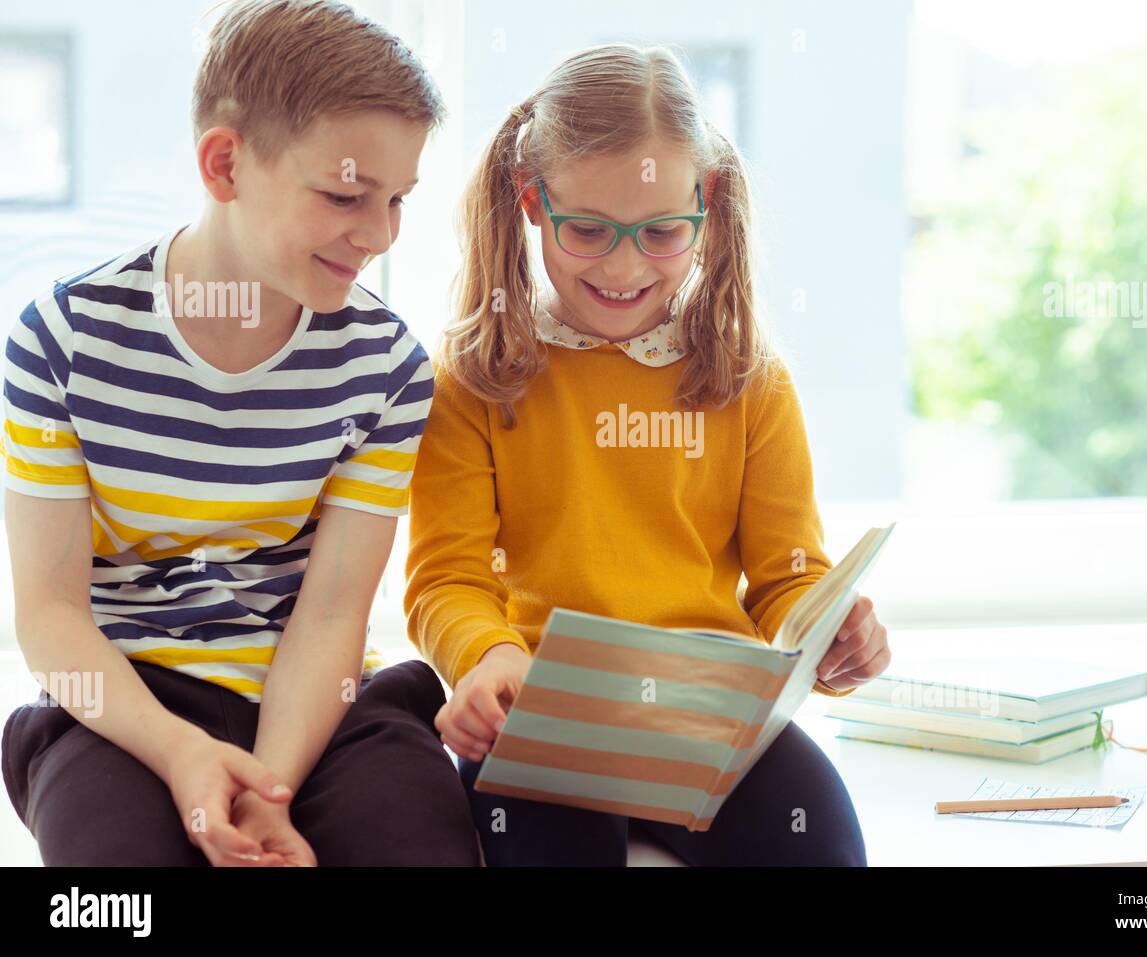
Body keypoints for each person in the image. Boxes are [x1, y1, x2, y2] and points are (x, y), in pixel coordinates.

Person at [1, 0, 478, 866]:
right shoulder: (62, 341)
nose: (377, 235)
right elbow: (50, 617)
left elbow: (331, 615)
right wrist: (184, 755)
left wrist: (270, 789)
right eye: (344, 195)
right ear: (225, 164)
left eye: (398, 200)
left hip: (323, 707)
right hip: (124, 704)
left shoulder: (388, 367)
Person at [404, 43, 890, 866]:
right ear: (531, 202)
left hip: (709, 722)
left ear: (705, 207)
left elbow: (787, 573)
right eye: (588, 230)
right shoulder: (477, 378)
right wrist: (487, 659)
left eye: (662, 232)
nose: (625, 267)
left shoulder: (749, 382)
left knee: (821, 844)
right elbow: (447, 578)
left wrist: (830, 631)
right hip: (542, 714)